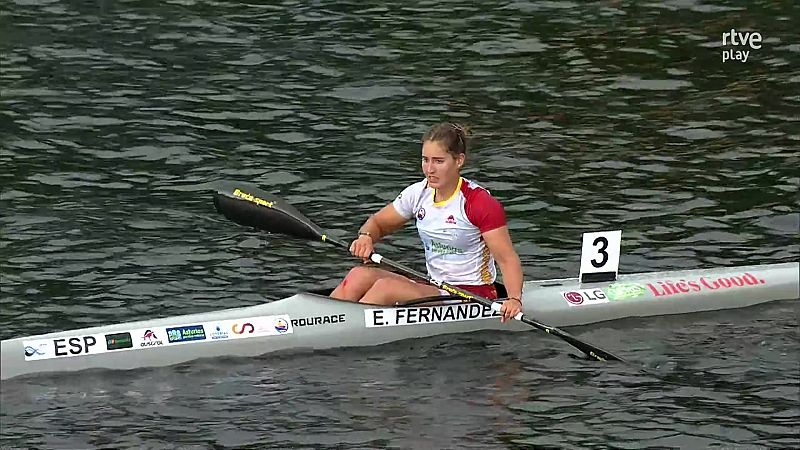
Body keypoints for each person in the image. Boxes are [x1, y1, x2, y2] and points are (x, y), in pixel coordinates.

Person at [330, 123, 524, 323]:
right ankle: (323, 322)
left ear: (459, 161)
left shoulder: (479, 203)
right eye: (425, 160)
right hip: (434, 287)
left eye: (438, 161)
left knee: (385, 288)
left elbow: (507, 259)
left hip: (473, 295)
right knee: (358, 275)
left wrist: (514, 300)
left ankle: (342, 331)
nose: (429, 169)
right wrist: (366, 237)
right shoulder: (418, 193)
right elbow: (378, 223)